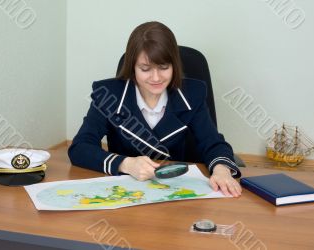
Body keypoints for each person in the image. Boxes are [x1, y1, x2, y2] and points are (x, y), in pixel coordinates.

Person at [68, 21, 242, 197]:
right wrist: (125, 164)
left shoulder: (191, 95)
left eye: (164, 67)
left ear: (174, 65)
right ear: (132, 67)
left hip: (179, 195)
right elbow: (80, 147)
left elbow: (213, 143)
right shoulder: (109, 96)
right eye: (145, 69)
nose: (156, 78)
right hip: (128, 195)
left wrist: (221, 170)